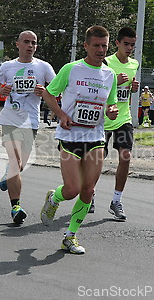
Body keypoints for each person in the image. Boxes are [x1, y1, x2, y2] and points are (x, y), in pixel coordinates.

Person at [40, 26, 118, 254]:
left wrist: (111, 111)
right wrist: (62, 115)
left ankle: (70, 236)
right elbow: (48, 93)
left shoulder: (109, 74)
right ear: (86, 46)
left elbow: (110, 103)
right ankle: (54, 198)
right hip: (70, 135)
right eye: (96, 45)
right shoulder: (71, 69)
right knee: (72, 189)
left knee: (88, 190)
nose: (101, 50)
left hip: (95, 136)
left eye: (104, 46)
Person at [0, 30, 55, 225]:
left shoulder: (43, 67)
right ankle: (15, 207)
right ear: (18, 44)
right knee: (14, 160)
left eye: (34, 43)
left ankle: (7, 173)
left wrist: (44, 91)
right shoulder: (8, 66)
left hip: (31, 120)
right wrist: (1, 90)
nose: (30, 46)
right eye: (26, 42)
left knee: (20, 165)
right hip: (10, 118)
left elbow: (57, 88)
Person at [93, 26, 139, 221]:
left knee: (125, 156)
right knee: (97, 161)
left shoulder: (134, 64)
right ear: (117, 43)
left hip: (123, 117)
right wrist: (115, 82)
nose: (129, 48)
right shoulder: (106, 61)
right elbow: (95, 86)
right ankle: (90, 195)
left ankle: (116, 200)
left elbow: (128, 91)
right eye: (126, 44)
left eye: (132, 45)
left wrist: (134, 87)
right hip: (103, 118)